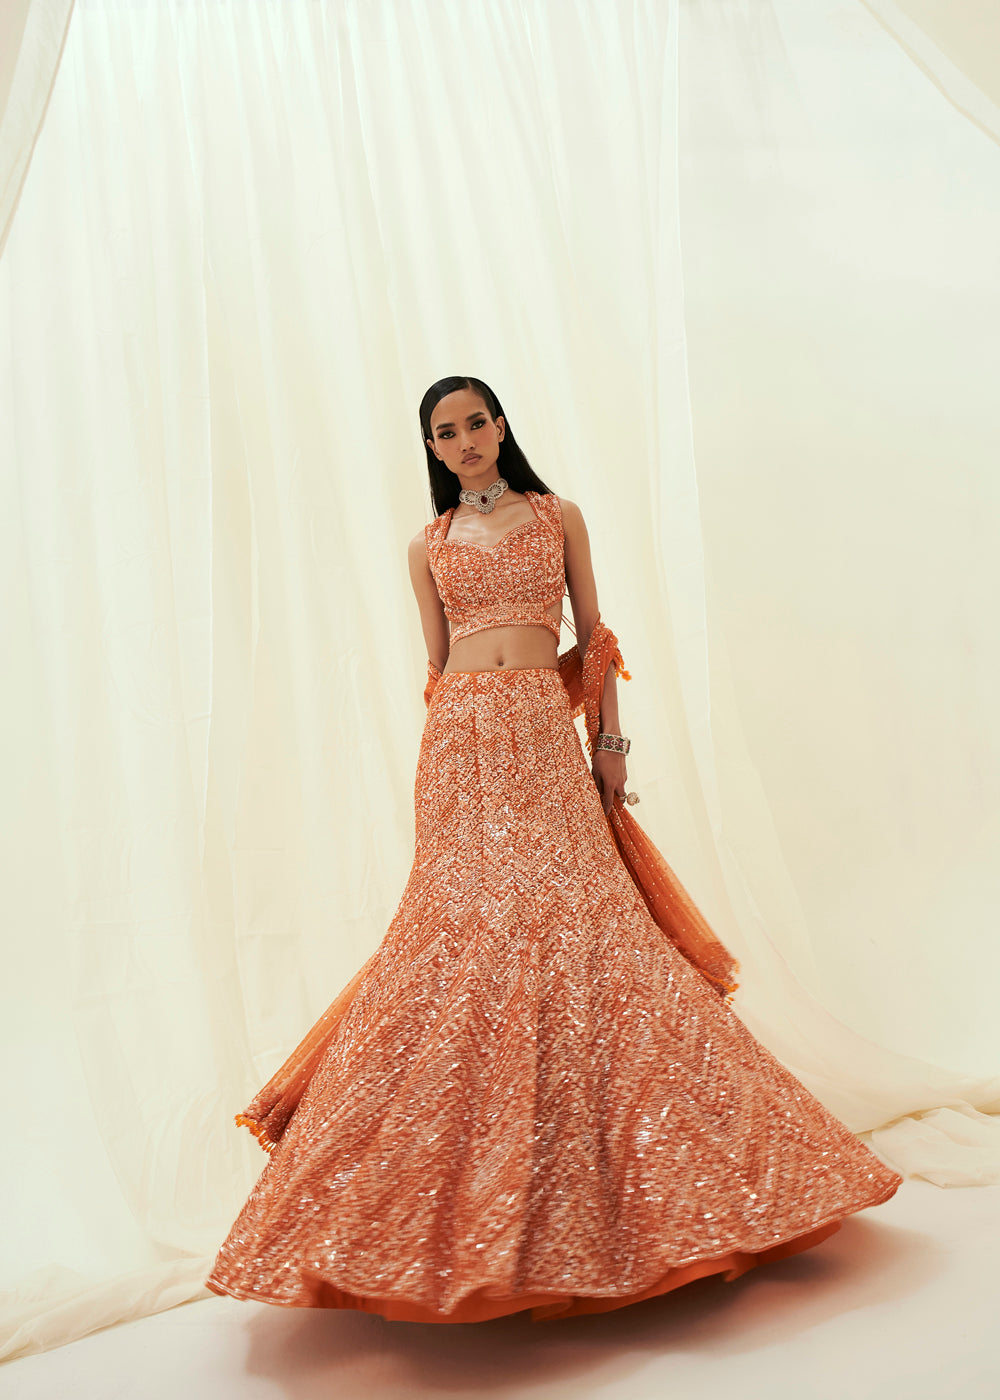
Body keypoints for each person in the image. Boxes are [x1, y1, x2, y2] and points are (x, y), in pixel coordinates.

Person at [205, 375, 903, 1323]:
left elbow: (595, 635)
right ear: (432, 447)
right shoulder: (426, 545)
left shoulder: (555, 516)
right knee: (459, 937)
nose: (463, 440)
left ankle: (656, 1186)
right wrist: (452, 746)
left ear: (500, 427)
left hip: (542, 731)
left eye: (476, 422)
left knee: (587, 926)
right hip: (461, 744)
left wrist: (609, 742)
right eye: (445, 432)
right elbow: (435, 665)